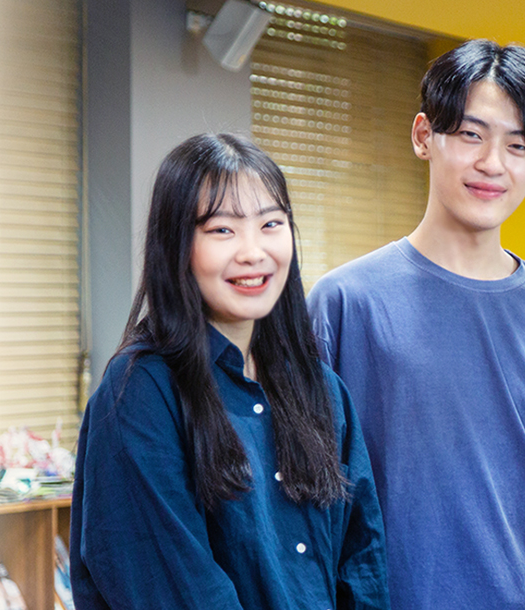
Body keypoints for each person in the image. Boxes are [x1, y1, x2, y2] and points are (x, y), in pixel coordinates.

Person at [307, 39, 525, 610]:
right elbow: (312, 501)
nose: (493, 163)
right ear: (424, 135)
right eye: (471, 134)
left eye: (519, 145)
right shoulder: (344, 303)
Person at [69, 133, 387, 610]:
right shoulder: (141, 393)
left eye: (271, 224)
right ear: (177, 245)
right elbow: (174, 588)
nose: (253, 252)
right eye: (222, 230)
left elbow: (363, 564)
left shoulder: (322, 391)